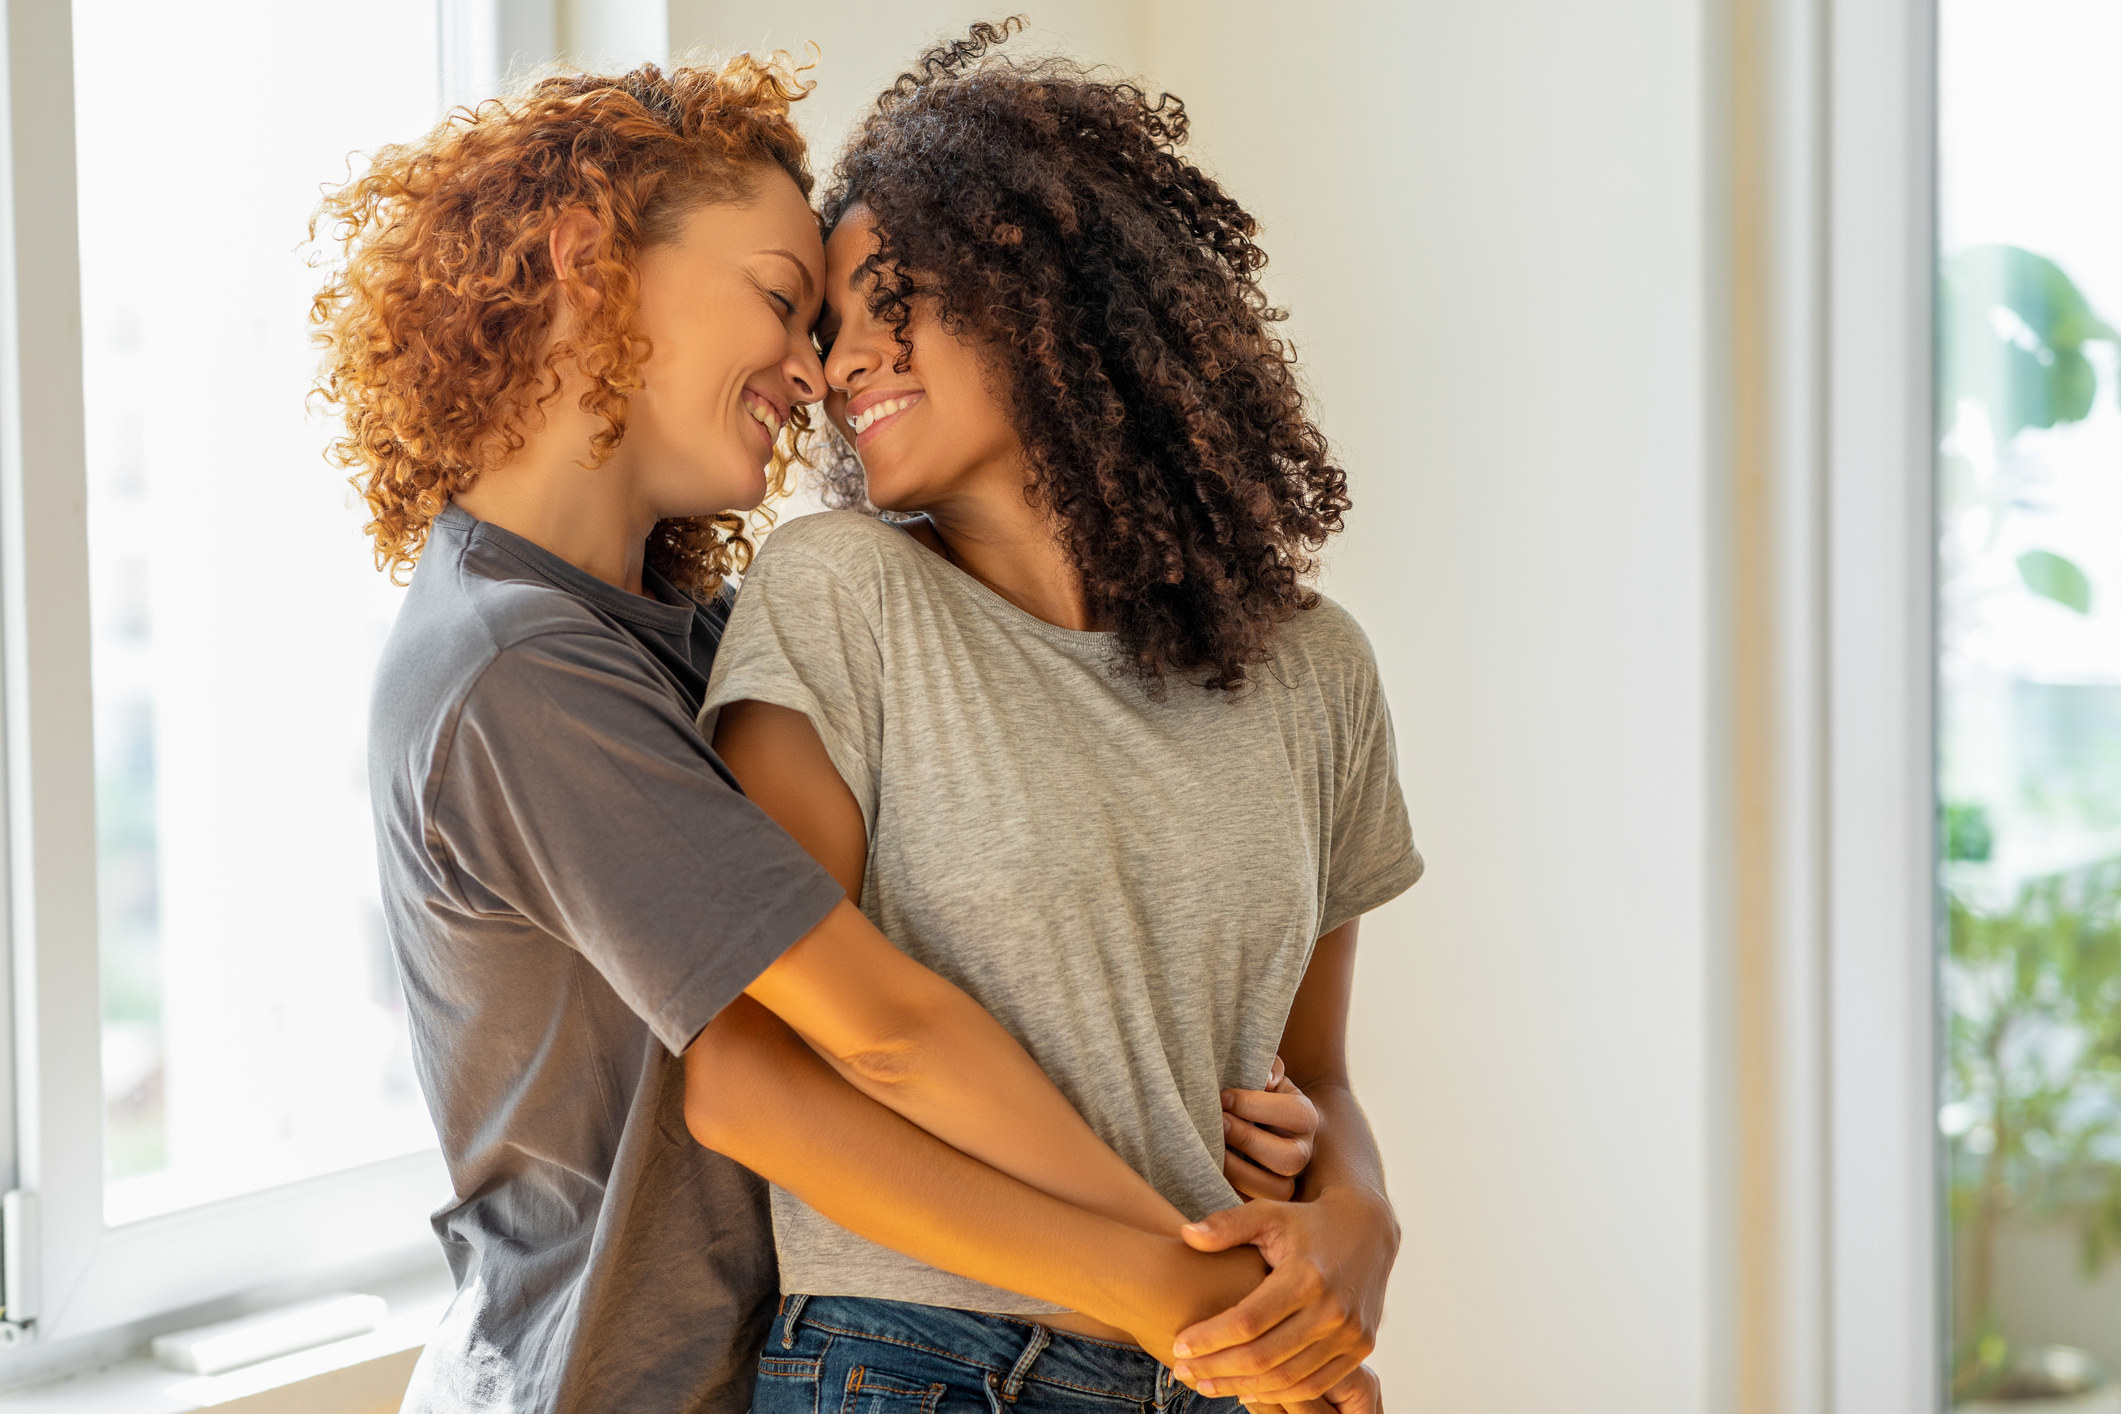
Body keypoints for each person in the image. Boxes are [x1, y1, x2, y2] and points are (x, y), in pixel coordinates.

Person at [314, 54, 1326, 1414]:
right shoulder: (517, 675)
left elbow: (965, 968)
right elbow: (884, 1030)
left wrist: (1197, 1106)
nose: (815, 371)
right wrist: (1208, 1281)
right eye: (785, 303)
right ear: (584, 259)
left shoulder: (682, 631)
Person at [704, 24, 1419, 1414]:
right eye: (828, 325)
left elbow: (1312, 1074)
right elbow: (749, 1077)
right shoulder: (838, 598)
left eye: (891, 297)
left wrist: (1359, 1223)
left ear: (1052, 292)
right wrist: (1190, 1290)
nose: (845, 362)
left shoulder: (1317, 672)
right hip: (923, 1362)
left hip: (1216, 1362)